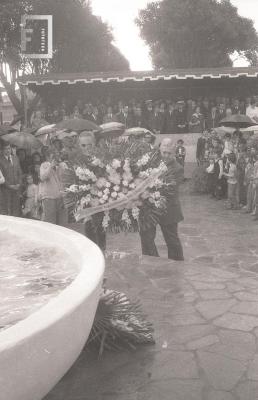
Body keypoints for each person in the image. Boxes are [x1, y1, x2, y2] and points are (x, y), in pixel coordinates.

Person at [139, 138, 184, 260]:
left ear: (174, 153)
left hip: (168, 209)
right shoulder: (151, 162)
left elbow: (170, 190)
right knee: (146, 238)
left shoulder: (178, 168)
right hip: (148, 208)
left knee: (172, 240)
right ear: (160, 149)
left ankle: (177, 264)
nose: (166, 156)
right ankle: (152, 261)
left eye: (169, 153)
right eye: (164, 152)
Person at [38, 149, 67, 225]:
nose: (56, 157)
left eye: (57, 155)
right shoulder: (44, 165)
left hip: (60, 197)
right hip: (49, 198)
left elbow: (65, 178)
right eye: (53, 155)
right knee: (50, 222)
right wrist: (51, 166)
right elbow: (43, 177)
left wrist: (61, 167)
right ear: (48, 156)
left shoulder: (61, 165)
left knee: (61, 222)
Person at [0, 142, 23, 216]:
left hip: (16, 188)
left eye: (9, 148)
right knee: (7, 209)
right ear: (2, 150)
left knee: (16, 208)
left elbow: (20, 172)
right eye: (5, 149)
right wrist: (10, 186)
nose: (8, 150)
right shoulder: (0, 160)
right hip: (6, 190)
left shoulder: (15, 158)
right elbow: (1, 176)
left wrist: (19, 183)